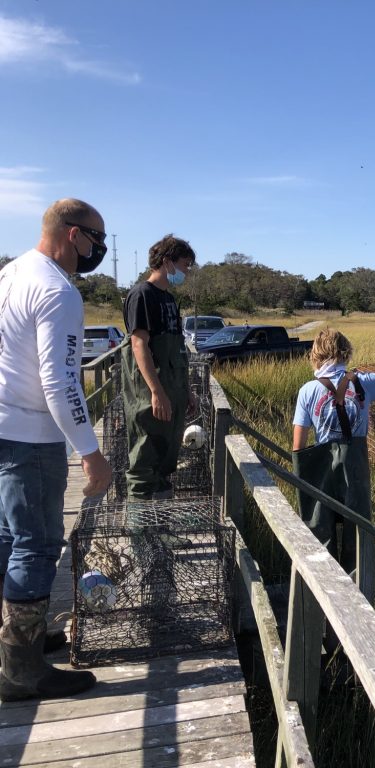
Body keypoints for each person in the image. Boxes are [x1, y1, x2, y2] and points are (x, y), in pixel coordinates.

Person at [0, 198, 113, 701]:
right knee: (37, 544)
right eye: (97, 240)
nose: (99, 252)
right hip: (31, 437)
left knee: (6, 538)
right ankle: (20, 670)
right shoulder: (58, 291)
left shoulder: (12, 274)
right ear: (73, 234)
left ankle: (14, 643)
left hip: (4, 426)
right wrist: (90, 452)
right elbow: (61, 380)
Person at [292, 328, 375, 571]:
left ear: (316, 355)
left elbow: (298, 448)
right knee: (358, 527)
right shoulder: (365, 381)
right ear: (345, 352)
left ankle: (323, 584)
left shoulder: (307, 391)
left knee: (320, 529)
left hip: (321, 469)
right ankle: (358, 588)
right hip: (355, 466)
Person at [121, 235, 196, 500]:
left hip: (172, 393)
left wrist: (186, 391)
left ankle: (161, 529)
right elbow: (139, 345)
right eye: (185, 265)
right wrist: (156, 392)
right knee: (144, 462)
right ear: (167, 262)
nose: (186, 271)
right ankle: (142, 539)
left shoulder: (168, 299)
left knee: (165, 462)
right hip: (150, 396)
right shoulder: (142, 295)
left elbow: (177, 350)